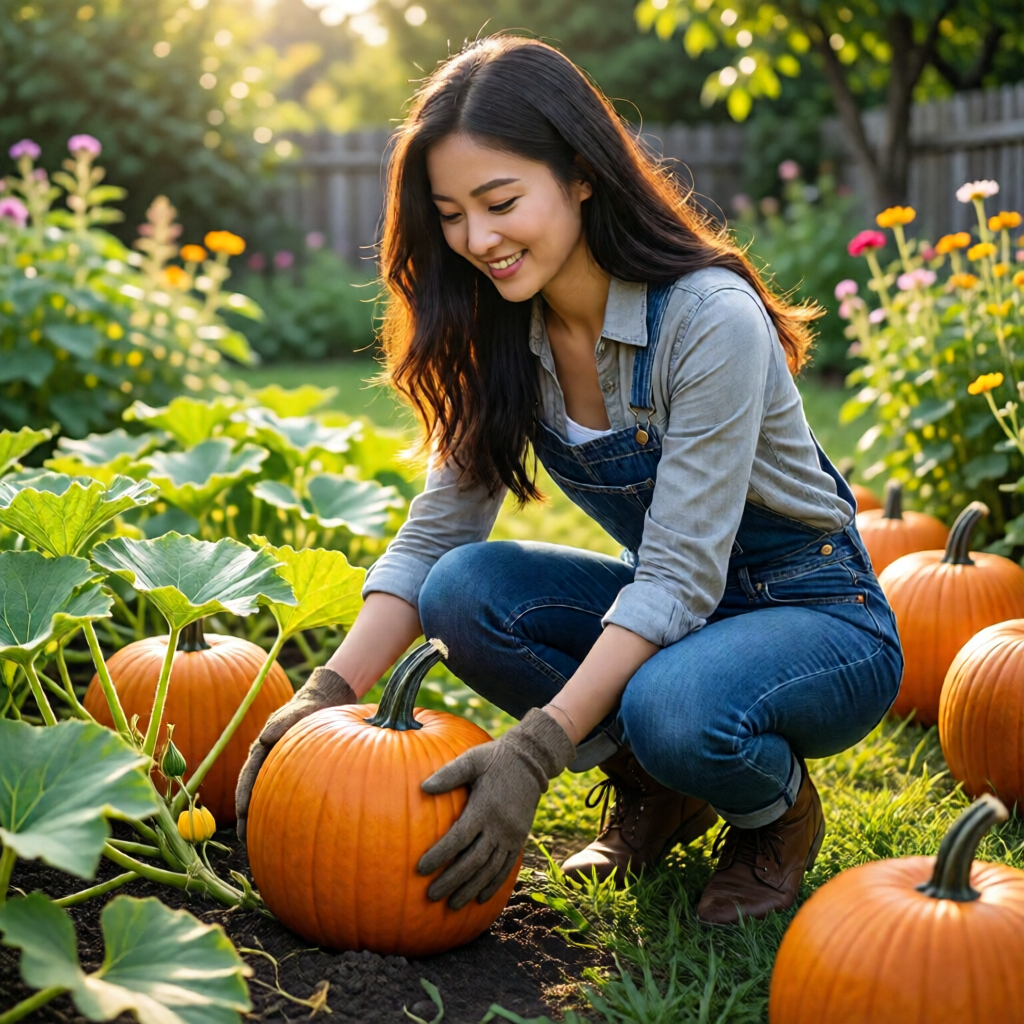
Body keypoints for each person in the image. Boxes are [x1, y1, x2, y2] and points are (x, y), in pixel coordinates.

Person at [236, 36, 903, 926]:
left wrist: (537, 749)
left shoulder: (709, 322)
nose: (477, 240)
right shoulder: (500, 333)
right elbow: (438, 533)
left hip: (820, 616)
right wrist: (327, 693)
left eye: (500, 202)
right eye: (451, 214)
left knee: (676, 704)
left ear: (582, 174)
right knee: (463, 589)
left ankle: (774, 813)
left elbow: (677, 575)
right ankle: (659, 790)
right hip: (678, 611)